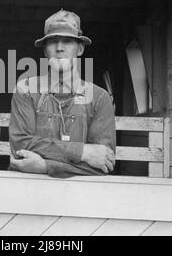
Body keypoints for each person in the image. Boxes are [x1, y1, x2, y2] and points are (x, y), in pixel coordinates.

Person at [9, 9, 116, 178]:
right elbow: (21, 146)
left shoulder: (99, 97)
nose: (59, 48)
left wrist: (45, 166)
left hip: (80, 194)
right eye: (52, 42)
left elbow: (102, 163)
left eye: (67, 41)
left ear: (80, 49)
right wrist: (82, 153)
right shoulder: (25, 90)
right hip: (29, 188)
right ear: (45, 51)